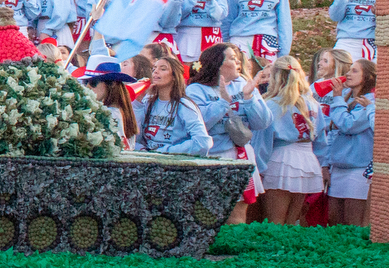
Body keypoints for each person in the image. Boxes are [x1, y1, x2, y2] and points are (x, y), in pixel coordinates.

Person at [186, 43, 272, 222]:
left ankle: (234, 247)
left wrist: (249, 98)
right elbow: (198, 124)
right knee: (209, 215)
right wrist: (222, 103)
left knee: (238, 214)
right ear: (217, 63)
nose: (238, 62)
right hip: (212, 157)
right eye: (232, 58)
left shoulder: (242, 84)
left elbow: (263, 122)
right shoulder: (196, 90)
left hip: (240, 156)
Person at [258, 55, 323, 224]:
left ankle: (274, 251)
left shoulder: (272, 104)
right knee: (292, 220)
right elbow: (321, 137)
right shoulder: (314, 103)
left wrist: (258, 166)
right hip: (307, 159)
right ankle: (291, 250)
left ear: (276, 77)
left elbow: (264, 141)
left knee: (274, 221)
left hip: (281, 158)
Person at [324, 58, 376, 226]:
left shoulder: (369, 102)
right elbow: (331, 133)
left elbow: (348, 125)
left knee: (353, 221)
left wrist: (337, 98)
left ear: (367, 77)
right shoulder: (345, 100)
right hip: (338, 167)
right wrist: (326, 165)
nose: (347, 74)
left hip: (358, 169)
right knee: (334, 219)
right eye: (349, 70)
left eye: (354, 71)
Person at [131, 54, 210, 156]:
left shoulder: (184, 105)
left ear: (174, 76)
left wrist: (166, 151)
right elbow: (134, 138)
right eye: (154, 69)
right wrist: (138, 102)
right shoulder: (147, 102)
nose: (156, 72)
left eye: (163, 69)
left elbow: (202, 142)